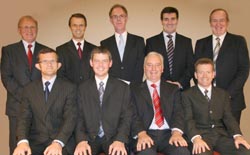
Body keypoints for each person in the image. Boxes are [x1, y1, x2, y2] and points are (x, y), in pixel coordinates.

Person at [12, 48, 77, 155]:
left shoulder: (70, 88)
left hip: (61, 141)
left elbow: (70, 119)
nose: (49, 64)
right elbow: (24, 118)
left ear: (58, 65)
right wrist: (22, 141)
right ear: (38, 66)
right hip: (36, 142)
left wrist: (58, 142)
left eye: (52, 61)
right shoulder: (29, 89)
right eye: (45, 61)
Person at [1, 15, 48, 155]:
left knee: (39, 146)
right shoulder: (8, 51)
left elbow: (49, 78)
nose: (29, 30)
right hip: (17, 107)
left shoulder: (46, 51)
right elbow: (6, 78)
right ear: (19, 30)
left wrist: (36, 100)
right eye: (25, 27)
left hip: (41, 109)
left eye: (32, 27)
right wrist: (27, 97)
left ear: (37, 29)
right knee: (18, 147)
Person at [182, 58, 250, 155]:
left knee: (245, 151)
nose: (205, 76)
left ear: (213, 74)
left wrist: (237, 135)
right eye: (201, 72)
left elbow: (229, 117)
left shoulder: (223, 94)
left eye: (208, 72)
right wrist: (196, 138)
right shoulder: (186, 95)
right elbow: (188, 119)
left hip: (220, 136)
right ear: (196, 75)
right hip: (200, 136)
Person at [74, 46, 133, 155]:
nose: (100, 65)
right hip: (89, 138)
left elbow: (127, 116)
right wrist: (81, 140)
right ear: (91, 63)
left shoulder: (123, 87)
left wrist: (120, 139)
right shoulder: (82, 88)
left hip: (114, 137)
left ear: (110, 63)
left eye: (104, 61)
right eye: (96, 61)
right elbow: (78, 116)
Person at [194, 8, 249, 124]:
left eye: (221, 20)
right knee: (208, 137)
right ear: (210, 23)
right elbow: (196, 71)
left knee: (231, 138)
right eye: (214, 21)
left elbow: (244, 70)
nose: (218, 24)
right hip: (206, 100)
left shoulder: (238, 41)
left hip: (231, 100)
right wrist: (204, 92)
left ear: (227, 22)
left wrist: (226, 95)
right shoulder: (201, 43)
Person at [130, 52, 190, 155]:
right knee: (146, 153)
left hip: (169, 133)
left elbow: (178, 112)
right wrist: (141, 133)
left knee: (182, 152)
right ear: (144, 68)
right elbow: (132, 114)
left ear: (162, 68)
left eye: (157, 65)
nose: (153, 69)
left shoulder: (173, 89)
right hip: (145, 133)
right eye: (149, 65)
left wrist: (176, 132)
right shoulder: (133, 89)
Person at [145, 7, 194, 90]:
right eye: (166, 19)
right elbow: (149, 67)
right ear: (161, 21)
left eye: (173, 19)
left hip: (182, 90)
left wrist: (179, 83)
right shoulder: (151, 42)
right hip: (159, 89)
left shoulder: (186, 42)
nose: (169, 22)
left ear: (177, 20)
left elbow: (191, 67)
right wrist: (164, 83)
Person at [100, 4, 145, 84]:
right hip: (112, 89)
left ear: (126, 18)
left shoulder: (139, 41)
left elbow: (140, 67)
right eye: (115, 16)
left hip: (134, 88)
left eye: (121, 16)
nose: (118, 19)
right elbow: (105, 67)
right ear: (111, 20)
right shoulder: (104, 44)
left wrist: (133, 86)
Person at [56, 13, 96, 84]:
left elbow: (97, 72)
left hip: (90, 92)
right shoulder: (61, 50)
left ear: (85, 27)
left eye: (81, 25)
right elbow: (60, 75)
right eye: (74, 25)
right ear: (70, 27)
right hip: (69, 93)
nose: (78, 28)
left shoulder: (94, 49)